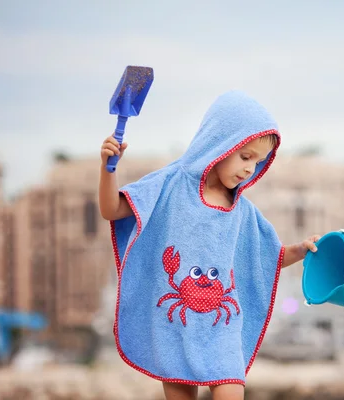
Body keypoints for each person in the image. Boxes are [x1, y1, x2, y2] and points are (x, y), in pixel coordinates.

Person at [98, 90, 323, 400]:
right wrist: (107, 170)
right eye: (245, 157)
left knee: (231, 389)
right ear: (221, 143)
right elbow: (112, 210)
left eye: (257, 162)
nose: (249, 168)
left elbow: (267, 256)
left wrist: (298, 250)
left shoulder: (243, 211)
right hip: (175, 328)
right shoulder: (169, 185)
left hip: (223, 330)